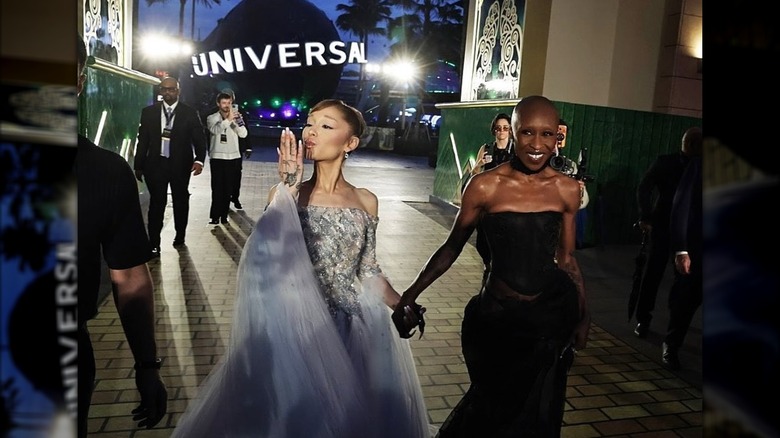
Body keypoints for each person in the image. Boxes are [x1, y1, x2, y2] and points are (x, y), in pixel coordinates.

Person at [171, 99, 431, 437]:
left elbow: (368, 270)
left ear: (350, 143)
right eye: (310, 123)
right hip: (298, 333)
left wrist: (402, 303)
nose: (311, 132)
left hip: (353, 329)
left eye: (326, 125)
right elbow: (263, 259)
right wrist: (288, 188)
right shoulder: (287, 196)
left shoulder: (366, 200)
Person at [393, 95, 590, 437]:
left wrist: (584, 316)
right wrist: (409, 295)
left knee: (538, 413)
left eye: (548, 135)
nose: (537, 144)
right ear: (512, 131)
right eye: (528, 132)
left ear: (558, 136)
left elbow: (567, 259)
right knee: (489, 410)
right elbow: (451, 247)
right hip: (496, 321)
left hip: (549, 319)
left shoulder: (567, 189)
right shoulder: (484, 185)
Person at [76, 35, 167, 438]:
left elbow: (129, 277)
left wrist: (147, 365)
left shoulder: (106, 173)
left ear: (80, 79)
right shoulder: (106, 170)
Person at [632, 127, 699, 338]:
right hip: (663, 226)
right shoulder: (667, 163)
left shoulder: (696, 166)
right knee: (653, 274)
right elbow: (644, 187)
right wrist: (645, 216)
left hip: (686, 231)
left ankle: (670, 321)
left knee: (681, 280)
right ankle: (644, 318)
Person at [134, 76, 208, 256]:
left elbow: (199, 139)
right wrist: (139, 164)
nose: (168, 92)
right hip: (156, 165)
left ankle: (180, 234)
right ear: (160, 91)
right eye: (164, 89)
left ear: (178, 91)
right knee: (157, 203)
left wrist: (199, 160)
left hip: (180, 165)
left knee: (180, 200)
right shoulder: (149, 112)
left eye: (171, 89)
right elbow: (143, 140)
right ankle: (154, 243)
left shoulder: (189, 113)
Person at [661, 128, 702, 370]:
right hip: (697, 251)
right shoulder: (699, 165)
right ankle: (671, 344)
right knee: (686, 302)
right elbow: (681, 206)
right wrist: (681, 250)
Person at [205, 90, 248, 224]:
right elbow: (215, 130)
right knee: (217, 187)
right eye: (224, 103)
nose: (226, 106)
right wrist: (228, 120)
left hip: (233, 157)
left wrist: (237, 121)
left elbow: (243, 134)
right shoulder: (212, 118)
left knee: (228, 188)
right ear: (218, 103)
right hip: (217, 157)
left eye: (229, 103)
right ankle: (214, 216)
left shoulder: (235, 118)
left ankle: (224, 215)